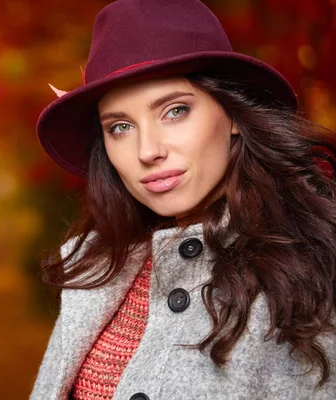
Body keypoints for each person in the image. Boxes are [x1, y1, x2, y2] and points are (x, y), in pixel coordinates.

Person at [29, 0, 336, 399]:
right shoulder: (96, 264)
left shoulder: (312, 264)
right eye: (120, 126)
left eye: (175, 111)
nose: (147, 150)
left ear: (233, 117)